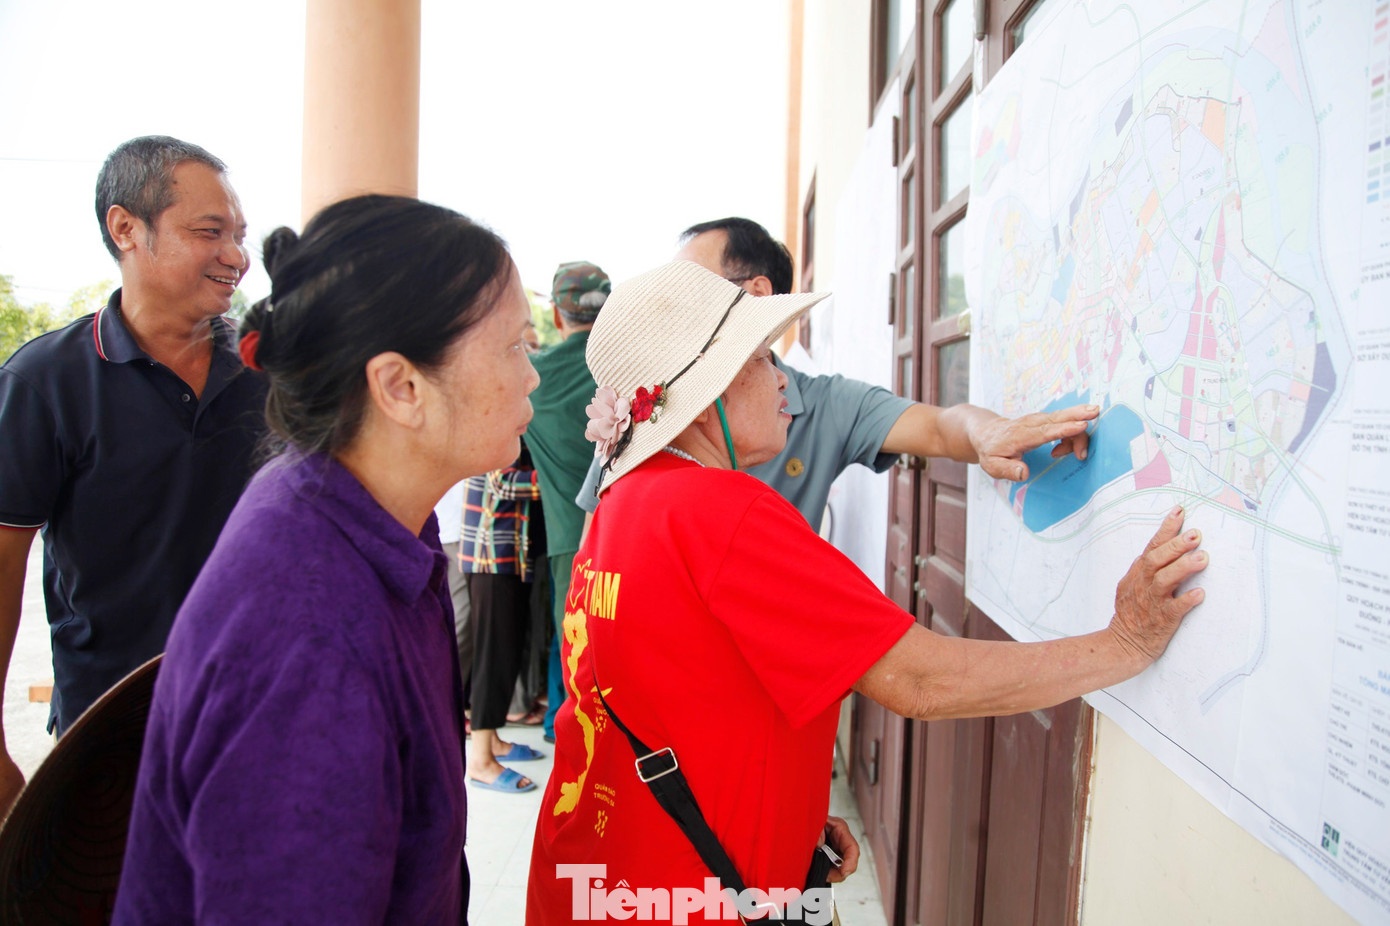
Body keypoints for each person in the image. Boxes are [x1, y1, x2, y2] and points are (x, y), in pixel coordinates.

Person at [525, 261, 1207, 924]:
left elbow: (659, 688)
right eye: (764, 360)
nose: (784, 385)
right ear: (708, 395)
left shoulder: (624, 500)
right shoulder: (720, 509)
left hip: (598, 878)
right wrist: (1123, 644)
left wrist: (786, 814)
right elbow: (919, 679)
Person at [114, 195, 539, 922]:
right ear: (402, 387)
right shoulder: (309, 640)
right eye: (515, 346)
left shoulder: (354, 512)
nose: (532, 375)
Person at [0, 135, 267, 814]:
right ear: (126, 229)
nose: (235, 255)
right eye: (209, 232)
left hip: (258, 719)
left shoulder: (272, 377)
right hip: (108, 734)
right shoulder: (45, 381)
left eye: (239, 235)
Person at [577, 217, 1097, 531]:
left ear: (757, 294)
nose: (677, 302)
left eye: (694, 284)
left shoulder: (824, 405)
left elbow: (940, 426)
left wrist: (990, 433)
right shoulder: (652, 406)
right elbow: (597, 540)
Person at [525, 261, 611, 741]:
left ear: (558, 316)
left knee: (572, 641)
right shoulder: (630, 366)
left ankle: (568, 739)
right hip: (629, 531)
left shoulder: (533, 377)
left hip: (565, 537)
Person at [460, 444, 547, 792]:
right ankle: (481, 761)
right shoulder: (498, 428)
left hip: (506, 555)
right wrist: (556, 477)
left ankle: (492, 741)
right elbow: (502, 483)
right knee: (492, 657)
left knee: (504, 654)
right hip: (492, 555)